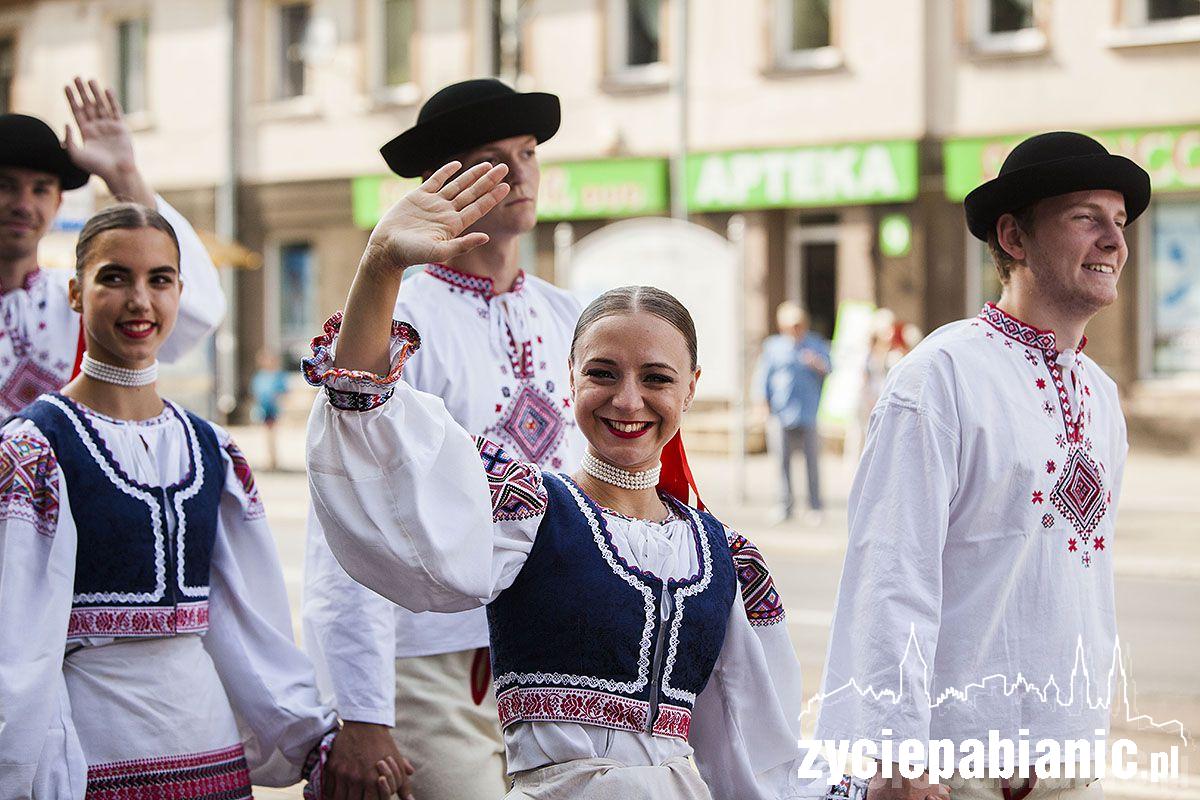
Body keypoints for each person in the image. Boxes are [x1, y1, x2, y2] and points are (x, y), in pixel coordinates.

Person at [304, 161, 862, 800]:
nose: (629, 401)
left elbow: (758, 759)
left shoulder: (722, 558)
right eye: (603, 373)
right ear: (569, 378)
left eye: (656, 378)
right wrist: (379, 268)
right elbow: (380, 459)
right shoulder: (527, 513)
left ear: (692, 388)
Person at [0, 204, 409, 799]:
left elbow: (248, 625)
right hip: (92, 745)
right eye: (114, 278)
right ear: (75, 293)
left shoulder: (210, 448)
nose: (140, 300)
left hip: (206, 748)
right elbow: (18, 644)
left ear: (179, 293)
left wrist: (314, 739)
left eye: (159, 280)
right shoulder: (35, 448)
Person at [815, 132, 1149, 798]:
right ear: (1014, 238)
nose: (1114, 239)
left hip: (1067, 762)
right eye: (1087, 217)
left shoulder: (1103, 398)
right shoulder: (940, 379)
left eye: (1119, 221)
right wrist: (897, 755)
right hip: (954, 769)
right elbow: (891, 574)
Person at [303, 78, 584, 798]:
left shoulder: (568, 315)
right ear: (441, 183)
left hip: (557, 648)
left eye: (528, 153)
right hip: (432, 661)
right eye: (495, 157)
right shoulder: (396, 319)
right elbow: (349, 511)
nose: (521, 173)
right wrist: (362, 710)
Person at [0, 78, 223, 414]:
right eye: (6, 186)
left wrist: (124, 176)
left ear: (59, 202)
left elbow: (197, 312)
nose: (23, 204)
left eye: (41, 189)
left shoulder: (79, 299)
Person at [755, 301, 831, 525]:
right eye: (789, 326)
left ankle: (815, 506)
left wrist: (816, 363)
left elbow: (829, 368)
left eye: (798, 325)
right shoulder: (773, 347)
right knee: (782, 462)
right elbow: (763, 377)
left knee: (812, 463)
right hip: (781, 412)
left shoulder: (815, 344)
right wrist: (762, 403)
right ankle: (784, 505)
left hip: (808, 413)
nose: (794, 330)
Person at [251, 348, 289, 471]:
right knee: (267, 435)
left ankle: (273, 459)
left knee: (272, 434)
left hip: (274, 408)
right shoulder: (260, 376)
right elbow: (256, 392)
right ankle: (270, 459)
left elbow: (283, 392)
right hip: (263, 408)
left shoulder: (278, 376)